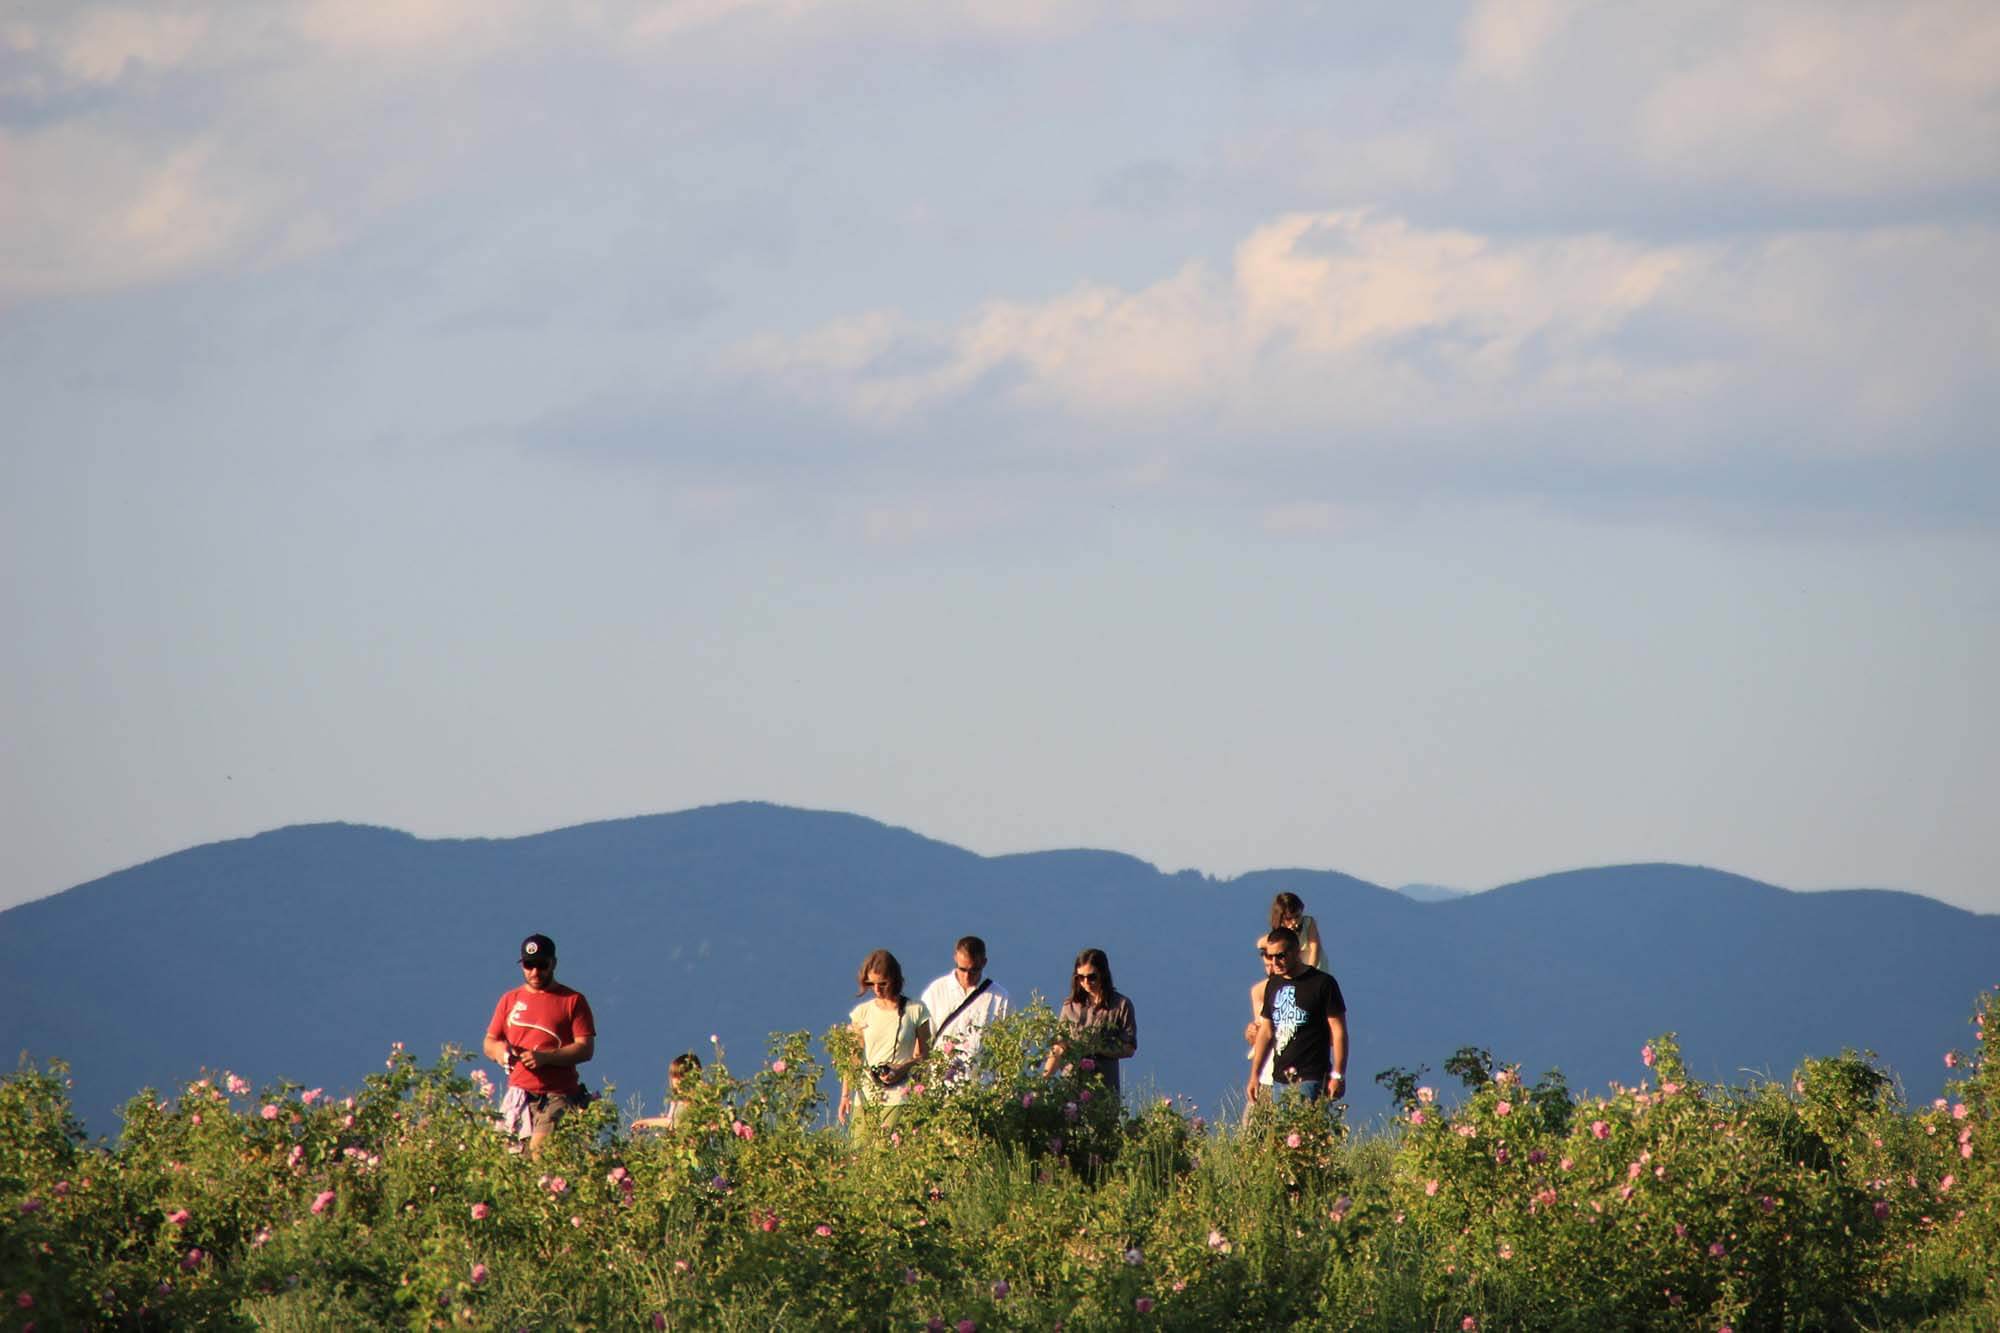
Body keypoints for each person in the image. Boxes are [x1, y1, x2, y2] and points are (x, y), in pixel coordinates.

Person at [483, 933, 597, 1155]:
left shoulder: (572, 1000)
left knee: (538, 1152)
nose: (535, 972)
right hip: (520, 1096)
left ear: (553, 963)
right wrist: (501, 1052)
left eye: (541, 965)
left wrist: (546, 1057)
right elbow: (489, 1042)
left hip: (559, 1094)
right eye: (529, 965)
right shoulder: (510, 999)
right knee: (516, 1159)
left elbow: (585, 1048)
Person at [1244, 926, 1347, 1106]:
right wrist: (1255, 1075)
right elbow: (1267, 1032)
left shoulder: (1322, 984)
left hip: (1311, 1077)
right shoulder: (1273, 984)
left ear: (1296, 952)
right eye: (1269, 956)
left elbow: (1338, 1032)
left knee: (1303, 1132)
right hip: (1279, 1080)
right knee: (1284, 1134)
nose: (1275, 962)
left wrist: (1338, 1074)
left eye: (1281, 956)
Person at [838, 949, 931, 1139]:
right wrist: (845, 1095)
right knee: (860, 1155)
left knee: (887, 1152)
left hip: (900, 1096)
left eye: (882, 983)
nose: (877, 989)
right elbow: (853, 1057)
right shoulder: (861, 1013)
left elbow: (925, 1056)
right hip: (865, 1097)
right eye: (871, 984)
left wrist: (902, 1068)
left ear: (895, 980)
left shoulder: (915, 1010)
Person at [1042, 948, 1138, 1096]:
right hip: (1071, 1086)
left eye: (1091, 977)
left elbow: (1129, 1048)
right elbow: (1059, 1047)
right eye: (1081, 977)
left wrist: (1097, 1047)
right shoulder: (1070, 1006)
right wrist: (1042, 1082)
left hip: (1103, 1090)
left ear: (1103, 974)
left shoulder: (1121, 1005)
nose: (1086, 982)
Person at [918, 935, 1011, 1080]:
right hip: (940, 1086)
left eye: (974, 970)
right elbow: (922, 1041)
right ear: (955, 958)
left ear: (984, 963)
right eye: (962, 969)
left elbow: (1008, 1049)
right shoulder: (935, 992)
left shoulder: (1000, 998)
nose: (967, 976)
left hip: (982, 1088)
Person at [1243, 932, 1280, 1108]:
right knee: (1253, 1129)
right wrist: (1252, 1033)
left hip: (1293, 1073)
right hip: (1266, 1071)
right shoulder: (1259, 991)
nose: (1271, 969)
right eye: (1267, 964)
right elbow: (1262, 1032)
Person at [631, 1051, 700, 1132]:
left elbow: (673, 1123)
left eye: (681, 1076)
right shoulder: (675, 1100)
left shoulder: (698, 1098)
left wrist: (648, 1122)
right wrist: (645, 1122)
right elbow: (669, 1123)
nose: (677, 1081)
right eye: (674, 1076)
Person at [1266, 891, 1323, 970]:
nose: (1294, 921)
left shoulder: (1308, 923)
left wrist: (1310, 973)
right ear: (1280, 918)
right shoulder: (1279, 934)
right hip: (1294, 973)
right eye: (1288, 919)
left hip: (1315, 970)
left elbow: (1315, 950)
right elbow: (1262, 943)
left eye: (1297, 916)